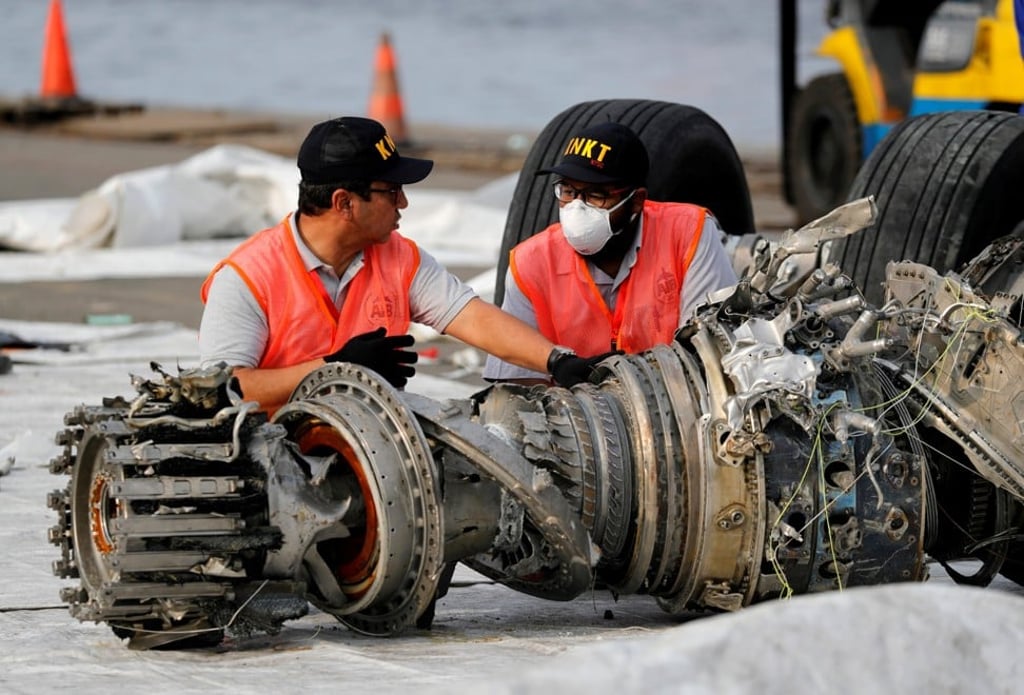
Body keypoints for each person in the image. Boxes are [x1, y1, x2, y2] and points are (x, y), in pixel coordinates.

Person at [199, 116, 608, 413]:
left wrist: (558, 360)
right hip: (274, 461)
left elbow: (474, 318)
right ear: (345, 203)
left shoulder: (397, 255)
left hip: (367, 444)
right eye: (392, 191)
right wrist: (335, 368)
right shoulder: (246, 278)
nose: (404, 204)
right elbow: (225, 388)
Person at [483, 121, 738, 384]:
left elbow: (711, 350)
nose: (577, 208)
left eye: (596, 195)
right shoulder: (531, 262)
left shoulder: (688, 233)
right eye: (568, 191)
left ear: (637, 201)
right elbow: (516, 382)